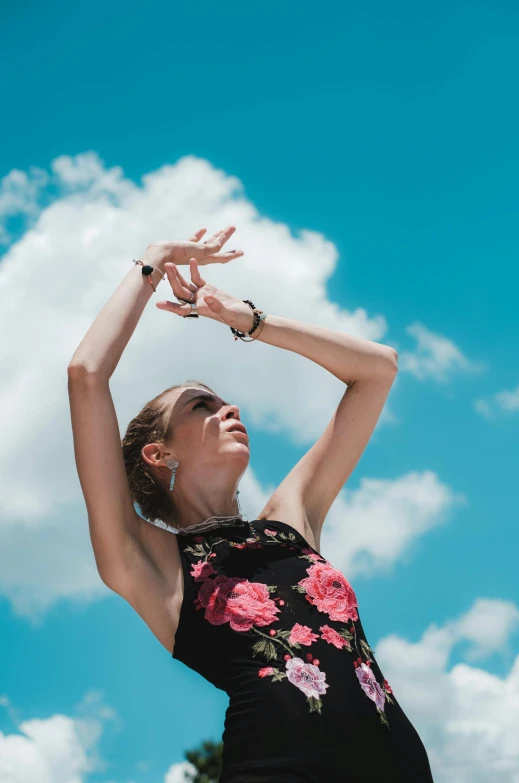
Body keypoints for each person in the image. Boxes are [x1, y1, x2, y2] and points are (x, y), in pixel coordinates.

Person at [67, 225, 434, 783]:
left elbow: (377, 368)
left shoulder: (290, 521)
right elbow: (85, 375)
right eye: (202, 405)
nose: (228, 406)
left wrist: (248, 322)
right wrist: (155, 260)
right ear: (159, 452)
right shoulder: (149, 560)